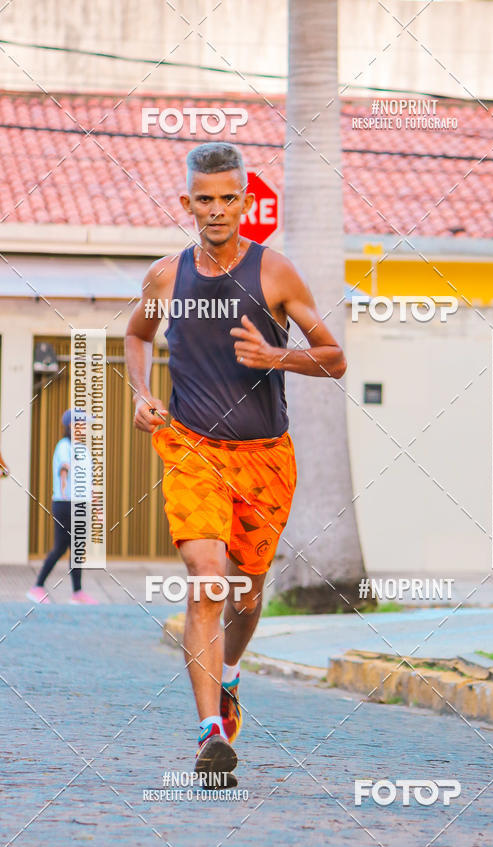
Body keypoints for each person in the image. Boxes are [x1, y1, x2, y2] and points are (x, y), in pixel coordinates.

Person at [125, 141, 346, 781]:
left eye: (228, 198)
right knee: (207, 579)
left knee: (245, 598)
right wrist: (142, 394)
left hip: (265, 458)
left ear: (245, 202)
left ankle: (228, 676)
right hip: (193, 449)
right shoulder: (166, 277)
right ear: (187, 203)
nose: (217, 210)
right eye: (205, 199)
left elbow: (334, 357)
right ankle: (209, 736)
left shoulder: (275, 273)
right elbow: (137, 334)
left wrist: (276, 356)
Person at [26, 409, 97, 605]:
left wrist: (94, 503)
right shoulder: (64, 446)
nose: (84, 428)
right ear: (71, 426)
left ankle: (77, 592)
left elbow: (89, 480)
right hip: (65, 504)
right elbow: (64, 470)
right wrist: (65, 491)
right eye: (81, 424)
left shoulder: (84, 450)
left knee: (77, 549)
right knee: (60, 548)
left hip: (81, 504)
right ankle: (37, 587)